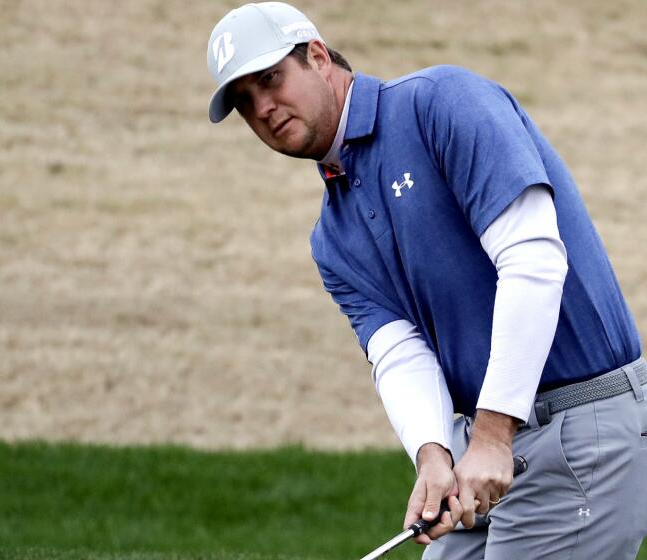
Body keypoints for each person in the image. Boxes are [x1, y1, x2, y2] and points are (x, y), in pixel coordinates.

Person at [206, 3, 647, 559]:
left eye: (270, 80)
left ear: (317, 57)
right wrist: (433, 453)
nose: (264, 108)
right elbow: (400, 354)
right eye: (244, 102)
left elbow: (533, 259)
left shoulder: (440, 103)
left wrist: (491, 436)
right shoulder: (332, 238)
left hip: (580, 434)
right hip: (485, 449)